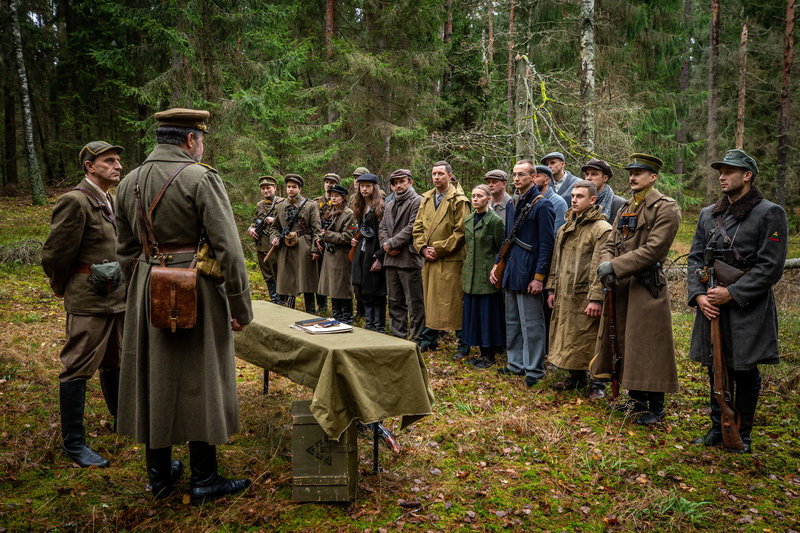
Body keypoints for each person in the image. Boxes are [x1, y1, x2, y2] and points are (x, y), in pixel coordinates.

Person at [115, 108, 252, 502]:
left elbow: (124, 249)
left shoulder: (128, 183)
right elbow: (229, 249)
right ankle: (204, 480)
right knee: (200, 377)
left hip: (147, 288)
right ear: (191, 140)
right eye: (202, 139)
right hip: (196, 288)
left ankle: (159, 476)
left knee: (154, 376)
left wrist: (143, 285)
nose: (202, 145)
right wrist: (240, 308)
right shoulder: (200, 177)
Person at [687, 149, 788, 453]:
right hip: (712, 305)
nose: (722, 176)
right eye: (720, 171)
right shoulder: (708, 214)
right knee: (713, 367)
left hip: (747, 306)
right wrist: (699, 295)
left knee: (744, 369)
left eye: (729, 171)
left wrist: (732, 293)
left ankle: (741, 432)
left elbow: (770, 267)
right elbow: (695, 259)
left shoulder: (770, 213)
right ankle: (718, 428)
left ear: (747, 176)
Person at [42, 141, 126, 468]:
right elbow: (54, 255)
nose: (117, 166)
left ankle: (124, 422)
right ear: (90, 166)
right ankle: (74, 443)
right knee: (77, 365)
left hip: (116, 297)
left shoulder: (111, 201)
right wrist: (64, 287)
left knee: (115, 360)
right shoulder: (75, 201)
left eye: (118, 160)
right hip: (89, 300)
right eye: (109, 161)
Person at [593, 153, 681, 425]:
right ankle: (636, 401)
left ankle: (655, 407)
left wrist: (615, 267)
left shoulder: (666, 208)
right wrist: (606, 264)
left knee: (648, 346)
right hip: (622, 286)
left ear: (653, 177)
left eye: (639, 173)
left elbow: (654, 249)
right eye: (631, 172)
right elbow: (609, 243)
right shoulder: (625, 208)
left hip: (647, 286)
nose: (632, 177)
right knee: (626, 343)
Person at [490, 160, 555, 387]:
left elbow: (547, 245)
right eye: (514, 174)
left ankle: (534, 370)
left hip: (529, 271)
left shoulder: (542, 205)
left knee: (532, 325)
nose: (516, 178)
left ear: (533, 176)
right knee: (513, 321)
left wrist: (539, 277)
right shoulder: (511, 204)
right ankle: (515, 364)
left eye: (522, 174)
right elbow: (507, 239)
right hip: (511, 269)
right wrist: (498, 263)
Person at [545, 180, 611, 399]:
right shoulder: (566, 227)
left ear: (593, 200)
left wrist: (596, 298)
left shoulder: (601, 229)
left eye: (579, 196)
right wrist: (552, 288)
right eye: (572, 196)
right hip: (566, 291)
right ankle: (576, 375)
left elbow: (599, 267)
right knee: (570, 333)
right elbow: (557, 260)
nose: (573, 199)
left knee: (590, 336)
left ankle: (597, 383)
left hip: (585, 293)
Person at [412, 160, 471, 354]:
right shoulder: (427, 198)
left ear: (450, 176)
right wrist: (422, 248)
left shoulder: (459, 200)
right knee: (432, 301)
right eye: (434, 174)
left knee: (454, 302)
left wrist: (437, 249)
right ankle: (429, 338)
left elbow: (461, 232)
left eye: (441, 174)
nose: (437, 177)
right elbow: (417, 227)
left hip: (450, 260)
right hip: (430, 260)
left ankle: (463, 343)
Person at [461, 185, 506, 368]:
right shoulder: (469, 219)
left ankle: (490, 355)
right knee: (475, 315)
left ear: (488, 199)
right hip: (470, 274)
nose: (475, 199)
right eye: (473, 196)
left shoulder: (495, 221)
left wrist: (496, 270)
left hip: (487, 275)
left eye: (479, 196)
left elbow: (500, 249)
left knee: (488, 315)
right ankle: (480, 351)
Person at [378, 169, 426, 343]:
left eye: (402, 181)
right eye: (395, 182)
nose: (398, 185)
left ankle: (418, 338)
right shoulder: (389, 204)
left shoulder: (418, 201)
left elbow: (413, 227)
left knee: (414, 301)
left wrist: (391, 244)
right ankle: (398, 336)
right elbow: (382, 227)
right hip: (391, 259)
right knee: (394, 300)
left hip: (409, 259)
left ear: (410, 182)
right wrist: (386, 246)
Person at [269, 174, 323, 312]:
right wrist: (274, 237)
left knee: (307, 282)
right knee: (287, 281)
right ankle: (288, 312)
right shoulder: (280, 206)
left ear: (299, 188)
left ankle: (311, 312)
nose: (291, 189)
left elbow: (317, 229)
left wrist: (315, 249)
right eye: (288, 187)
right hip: (285, 248)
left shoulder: (310, 205)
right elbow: (275, 227)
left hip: (304, 245)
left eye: (294, 187)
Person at [351, 173, 387, 331]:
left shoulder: (381, 208)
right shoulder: (359, 206)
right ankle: (369, 324)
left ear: (374, 188)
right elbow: (358, 228)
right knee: (364, 290)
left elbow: (384, 233)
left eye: (368, 186)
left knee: (377, 292)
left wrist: (380, 258)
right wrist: (354, 239)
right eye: (362, 186)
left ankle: (379, 327)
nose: (364, 189)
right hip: (361, 253)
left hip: (375, 253)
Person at [317, 184, 357, 324]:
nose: (333, 198)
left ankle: (347, 319)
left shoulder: (349, 214)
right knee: (333, 288)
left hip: (342, 257)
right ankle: (336, 317)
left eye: (336, 196)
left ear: (343, 197)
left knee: (343, 289)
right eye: (331, 195)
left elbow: (347, 236)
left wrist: (328, 235)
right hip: (329, 255)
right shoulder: (328, 211)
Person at [247, 175, 284, 304]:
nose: (265, 191)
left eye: (268, 188)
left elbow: (289, 223)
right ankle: (274, 300)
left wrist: (275, 220)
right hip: (261, 244)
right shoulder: (260, 205)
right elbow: (254, 221)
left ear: (274, 188)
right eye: (263, 189)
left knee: (278, 275)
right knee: (267, 275)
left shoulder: (282, 202)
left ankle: (281, 301)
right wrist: (250, 229)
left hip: (275, 246)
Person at [313, 173, 341, 313]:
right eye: (327, 182)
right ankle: (322, 305)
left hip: (334, 242)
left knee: (334, 275)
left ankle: (337, 307)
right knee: (319, 275)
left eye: (332, 182)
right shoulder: (316, 202)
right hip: (320, 241)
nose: (328, 184)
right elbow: (314, 225)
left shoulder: (340, 203)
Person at [581, 158, 626, 222]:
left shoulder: (619, 204)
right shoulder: (579, 200)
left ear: (605, 178)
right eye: (587, 174)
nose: (589, 178)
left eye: (594, 174)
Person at [533, 164, 568, 235]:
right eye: (532, 176)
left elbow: (557, 233)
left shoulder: (558, 202)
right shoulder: (529, 200)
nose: (532, 180)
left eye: (536, 176)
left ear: (546, 180)